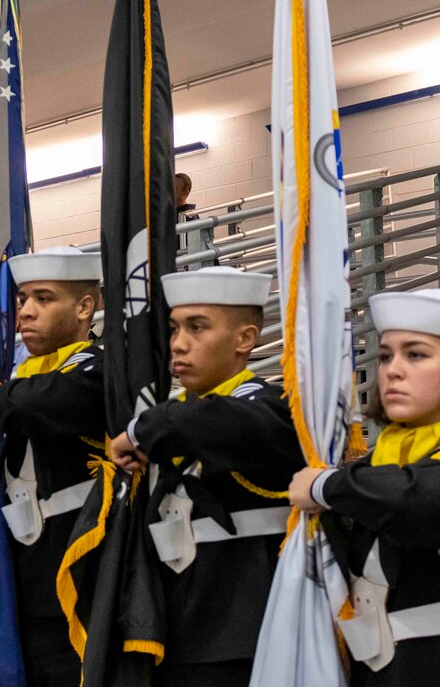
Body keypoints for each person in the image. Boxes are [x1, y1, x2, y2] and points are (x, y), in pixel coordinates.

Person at [289, 290, 440, 686]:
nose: (391, 371)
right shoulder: (372, 469)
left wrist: (325, 486)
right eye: (385, 356)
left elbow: (416, 500)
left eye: (415, 354)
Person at [108, 266, 301, 687]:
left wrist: (141, 430)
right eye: (175, 328)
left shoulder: (272, 407)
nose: (178, 343)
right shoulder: (175, 417)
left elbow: (214, 420)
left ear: (245, 339)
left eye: (198, 328)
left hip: (242, 633)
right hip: (171, 627)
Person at [0, 247, 107, 686]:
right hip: (21, 581)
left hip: (81, 577)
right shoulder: (18, 375)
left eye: (43, 299)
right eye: (23, 298)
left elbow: (51, 401)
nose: (25, 312)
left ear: (84, 306)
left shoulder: (100, 367)